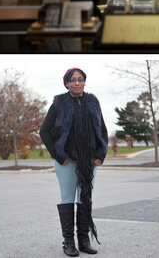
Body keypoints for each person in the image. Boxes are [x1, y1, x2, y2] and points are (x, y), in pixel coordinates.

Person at [40, 68, 108, 257]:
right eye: (73, 80)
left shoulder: (93, 101)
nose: (77, 83)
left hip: (89, 160)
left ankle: (84, 241)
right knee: (68, 199)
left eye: (80, 79)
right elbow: (44, 131)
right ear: (67, 83)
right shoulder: (59, 103)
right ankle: (68, 242)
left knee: (85, 198)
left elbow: (101, 129)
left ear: (85, 82)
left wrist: (100, 155)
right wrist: (58, 155)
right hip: (66, 161)